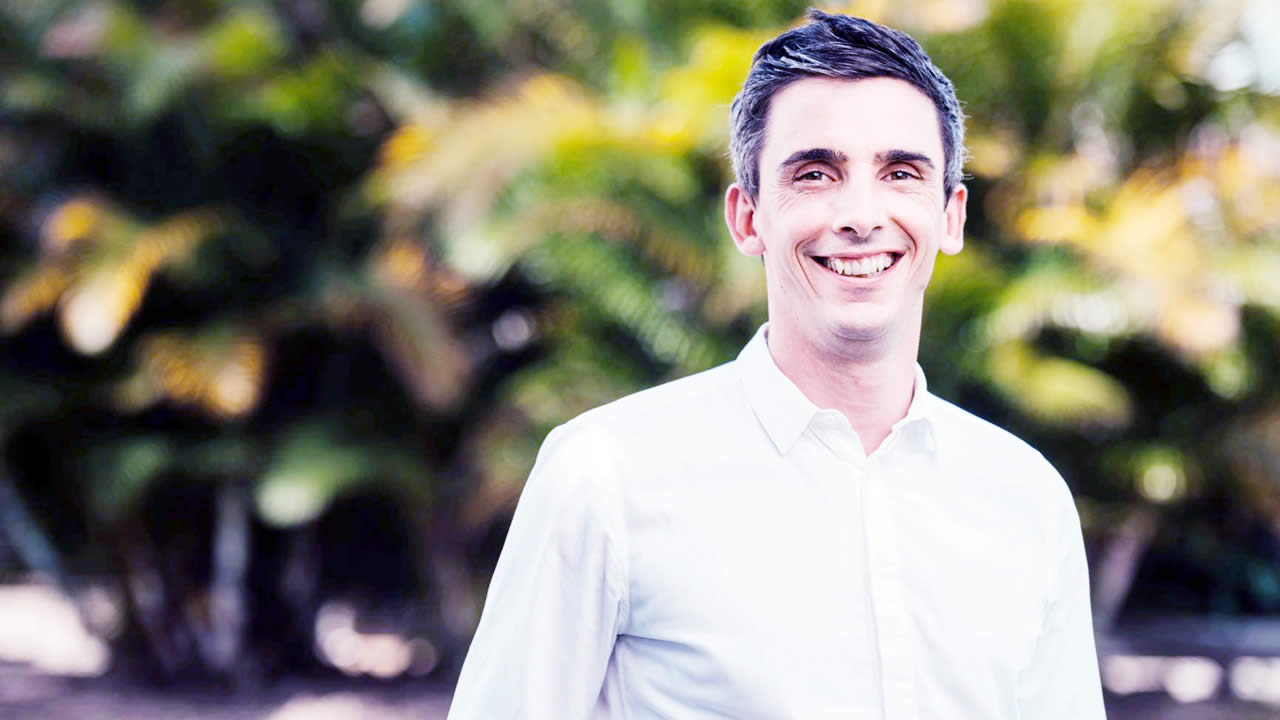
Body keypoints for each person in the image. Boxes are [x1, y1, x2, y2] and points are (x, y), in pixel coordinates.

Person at [447, 10, 1105, 719]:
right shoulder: (605, 476)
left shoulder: (1027, 500)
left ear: (951, 216)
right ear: (747, 217)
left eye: (901, 173)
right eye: (816, 174)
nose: (861, 215)